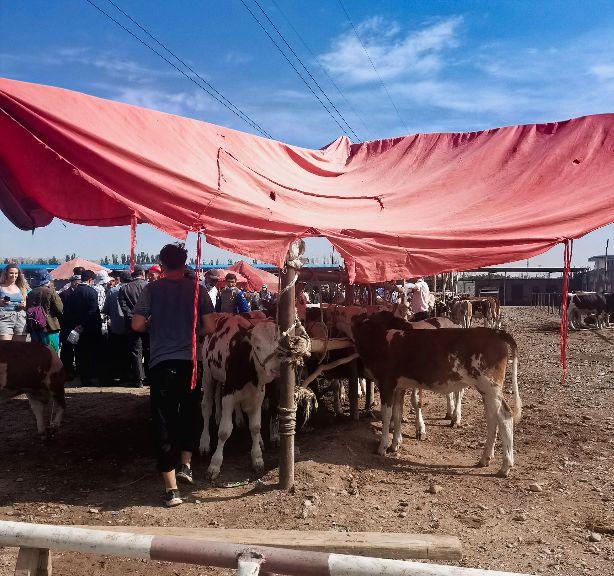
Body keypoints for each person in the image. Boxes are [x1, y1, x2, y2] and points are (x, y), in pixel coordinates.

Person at [132, 243, 208, 507]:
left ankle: (171, 489)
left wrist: (156, 322)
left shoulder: (151, 289)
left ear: (161, 264)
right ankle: (186, 463)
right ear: (185, 262)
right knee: (190, 412)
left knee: (163, 419)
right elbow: (208, 325)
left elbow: (137, 324)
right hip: (191, 362)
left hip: (162, 363)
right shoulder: (199, 289)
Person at [62, 269, 102, 386]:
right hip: (90, 327)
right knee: (91, 353)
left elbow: (68, 312)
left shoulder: (72, 292)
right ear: (90, 280)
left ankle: (82, 376)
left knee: (79, 353)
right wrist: (85, 324)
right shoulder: (92, 292)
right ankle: (90, 377)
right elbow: (93, 311)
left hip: (76, 328)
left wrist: (76, 325)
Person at [119, 266, 148, 388]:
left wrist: (133, 318)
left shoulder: (125, 288)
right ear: (142, 274)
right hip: (149, 324)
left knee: (136, 352)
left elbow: (124, 307)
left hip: (132, 324)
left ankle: (139, 379)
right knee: (149, 350)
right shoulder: (149, 286)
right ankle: (150, 377)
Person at [102, 270, 131, 383]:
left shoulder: (112, 291)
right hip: (132, 327)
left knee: (118, 353)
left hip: (116, 328)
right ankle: (130, 374)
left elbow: (106, 310)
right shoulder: (134, 289)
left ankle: (120, 374)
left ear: (120, 279)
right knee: (131, 352)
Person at [25, 268, 63, 352]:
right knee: (52, 353)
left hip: (34, 326)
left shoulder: (30, 293)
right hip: (50, 327)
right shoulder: (51, 292)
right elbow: (59, 309)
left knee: (37, 352)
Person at [0, 263, 29, 341]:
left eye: (16, 273)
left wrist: (24, 305)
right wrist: (1, 302)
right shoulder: (1, 287)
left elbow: (26, 303)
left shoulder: (21, 287)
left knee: (20, 348)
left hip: (20, 318)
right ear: (6, 274)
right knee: (5, 348)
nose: (14, 275)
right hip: (4, 318)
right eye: (11, 273)